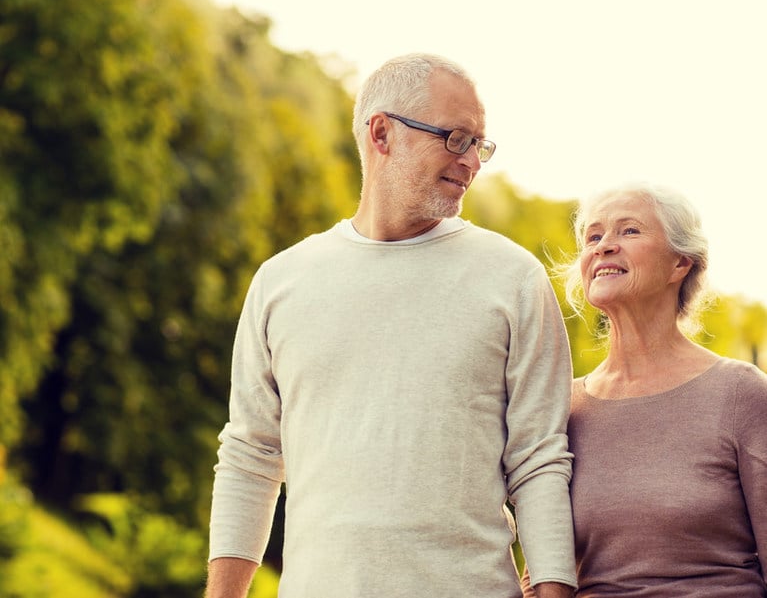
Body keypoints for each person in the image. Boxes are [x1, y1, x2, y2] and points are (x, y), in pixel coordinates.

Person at [204, 52, 577, 598]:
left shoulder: (513, 278)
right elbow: (250, 457)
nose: (472, 161)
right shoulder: (281, 281)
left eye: (480, 145)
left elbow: (539, 461)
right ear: (382, 133)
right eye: (456, 138)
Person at [556, 183, 767, 596]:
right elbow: (547, 566)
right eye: (594, 237)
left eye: (629, 231)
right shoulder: (563, 408)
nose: (604, 247)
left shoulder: (741, 393)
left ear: (680, 264)